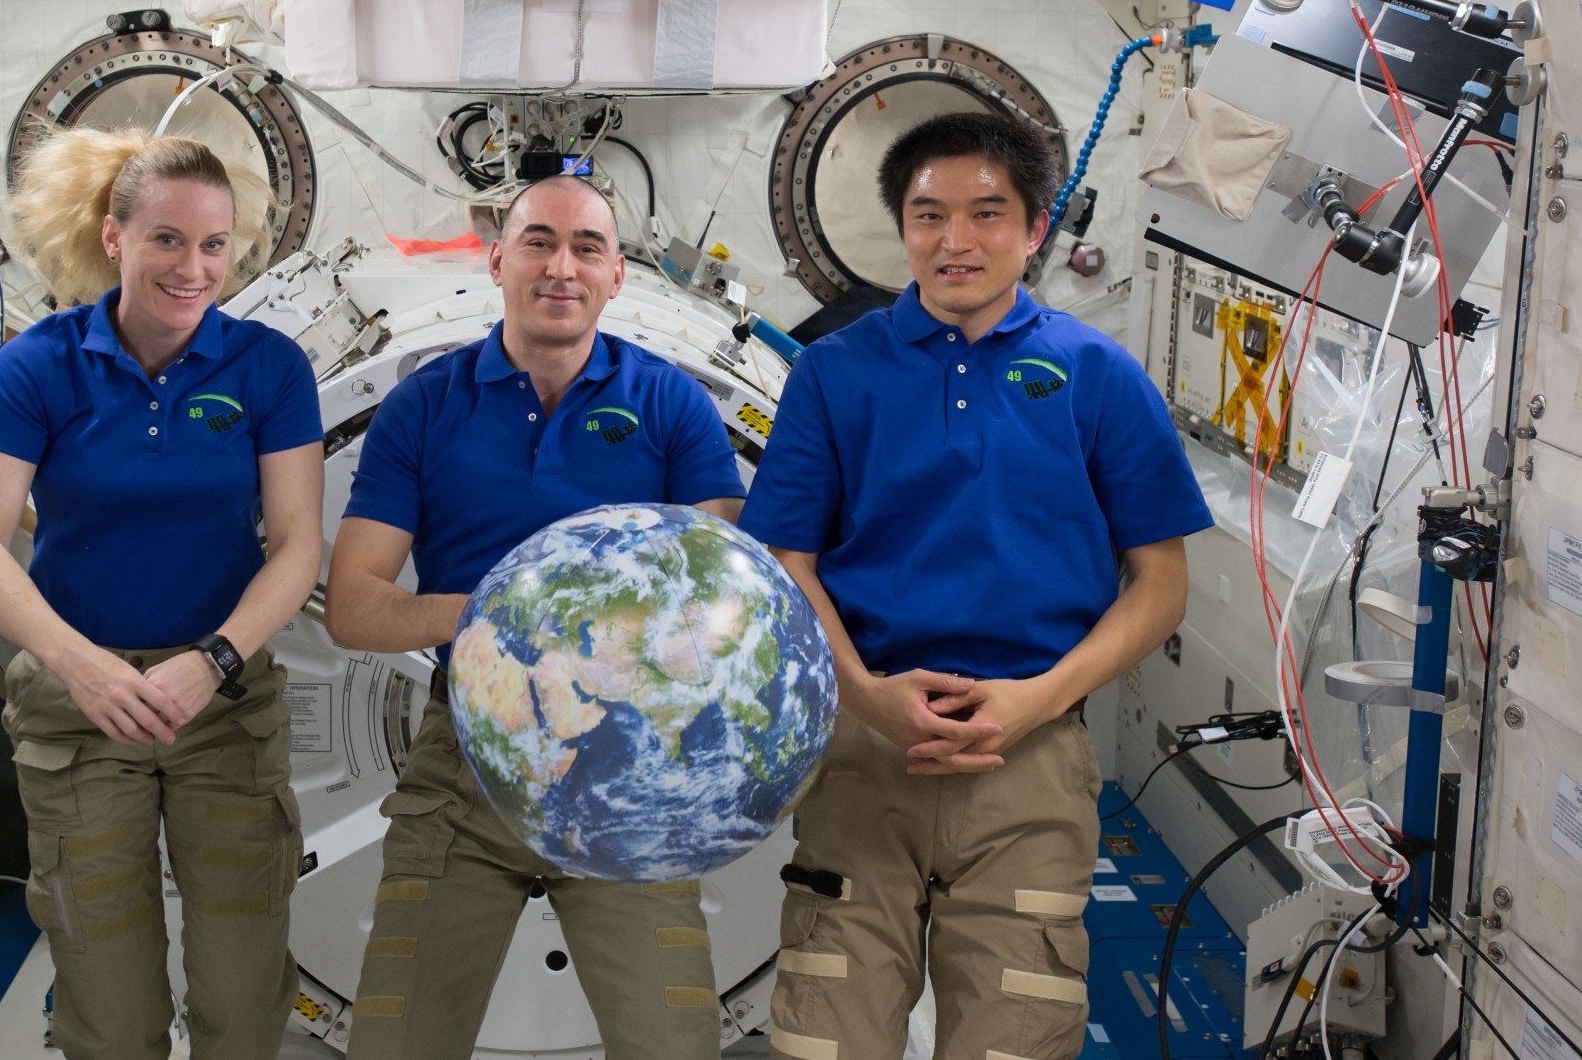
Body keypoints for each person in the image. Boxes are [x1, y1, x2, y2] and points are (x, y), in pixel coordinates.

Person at [740, 112, 1213, 1060]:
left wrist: (1038, 698)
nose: (956, 240)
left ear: (1036, 227)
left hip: (1029, 764)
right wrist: (868, 696)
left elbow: (1160, 584)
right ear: (902, 227)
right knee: (824, 1037)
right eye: (929, 215)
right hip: (865, 752)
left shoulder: (1098, 377)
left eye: (987, 213)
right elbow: (784, 562)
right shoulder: (833, 376)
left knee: (1014, 1037)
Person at [326, 175, 745, 1060]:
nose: (563, 266)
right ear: (497, 260)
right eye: (539, 241)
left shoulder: (671, 405)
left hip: (626, 771)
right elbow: (356, 609)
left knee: (674, 1046)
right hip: (466, 760)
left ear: (618, 273)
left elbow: (726, 595)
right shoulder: (424, 406)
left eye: (587, 246)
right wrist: (510, 607)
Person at [0, 129, 324, 1060]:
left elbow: (297, 544)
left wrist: (217, 660)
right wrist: (84, 669)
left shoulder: (269, 369)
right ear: (114, 239)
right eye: (166, 239)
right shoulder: (39, 365)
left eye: (212, 244)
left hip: (222, 703)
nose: (193, 267)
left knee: (241, 997)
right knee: (108, 1011)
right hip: (80, 707)